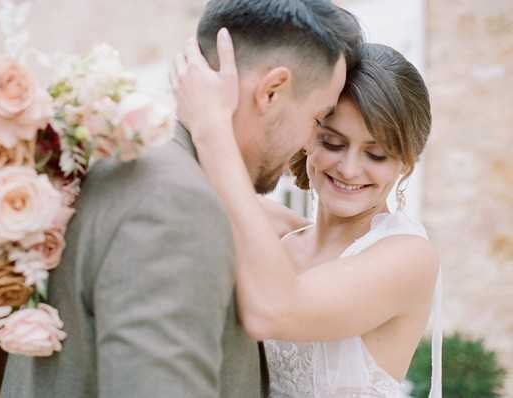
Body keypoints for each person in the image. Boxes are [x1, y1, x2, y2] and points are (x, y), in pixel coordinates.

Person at [0, 1, 362, 397]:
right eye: (318, 119)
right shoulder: (179, 205)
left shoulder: (102, 161)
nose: (308, 144)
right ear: (271, 91)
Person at [172, 34, 442, 397]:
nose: (348, 168)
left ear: (405, 163)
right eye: (333, 142)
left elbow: (273, 310)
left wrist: (211, 127)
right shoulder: (278, 232)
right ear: (308, 132)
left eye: (376, 155)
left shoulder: (409, 257)